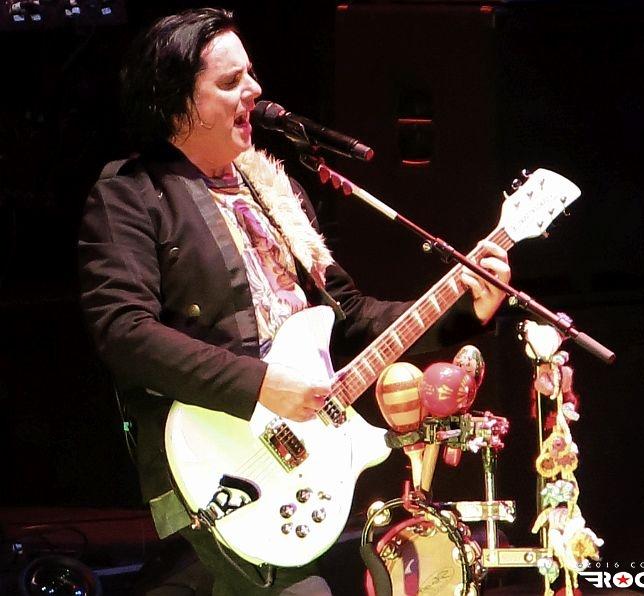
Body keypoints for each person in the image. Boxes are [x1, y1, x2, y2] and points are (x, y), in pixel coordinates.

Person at [78, 7, 511, 595]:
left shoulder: (277, 191)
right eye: (230, 81)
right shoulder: (132, 194)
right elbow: (124, 332)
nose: (254, 90)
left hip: (297, 466)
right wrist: (261, 384)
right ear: (177, 101)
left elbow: (350, 318)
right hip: (214, 461)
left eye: (251, 74)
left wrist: (466, 306)